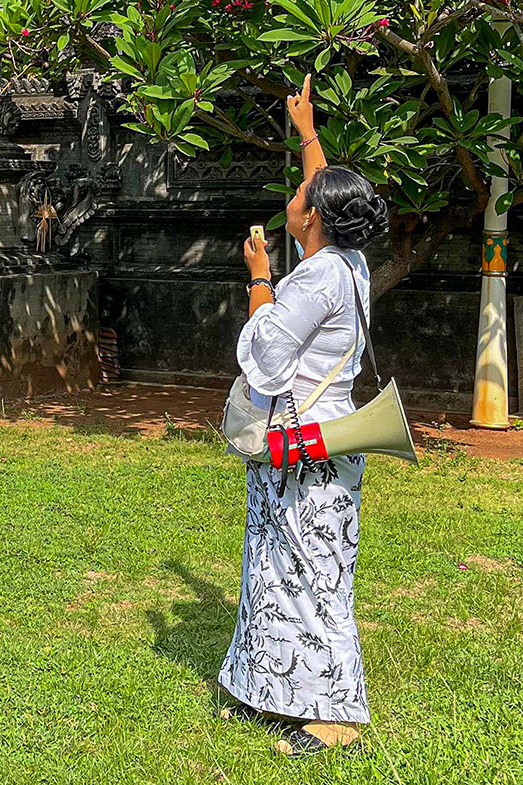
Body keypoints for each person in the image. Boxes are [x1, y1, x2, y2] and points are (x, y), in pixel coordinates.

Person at [218, 74, 390, 756]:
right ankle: (273, 691)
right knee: (278, 566)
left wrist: (259, 277)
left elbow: (264, 354)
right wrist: (308, 133)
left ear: (313, 218)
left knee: (313, 576)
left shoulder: (314, 277)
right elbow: (325, 194)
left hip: (303, 450)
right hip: (325, 442)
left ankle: (338, 715)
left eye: (300, 196)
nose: (293, 198)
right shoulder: (347, 261)